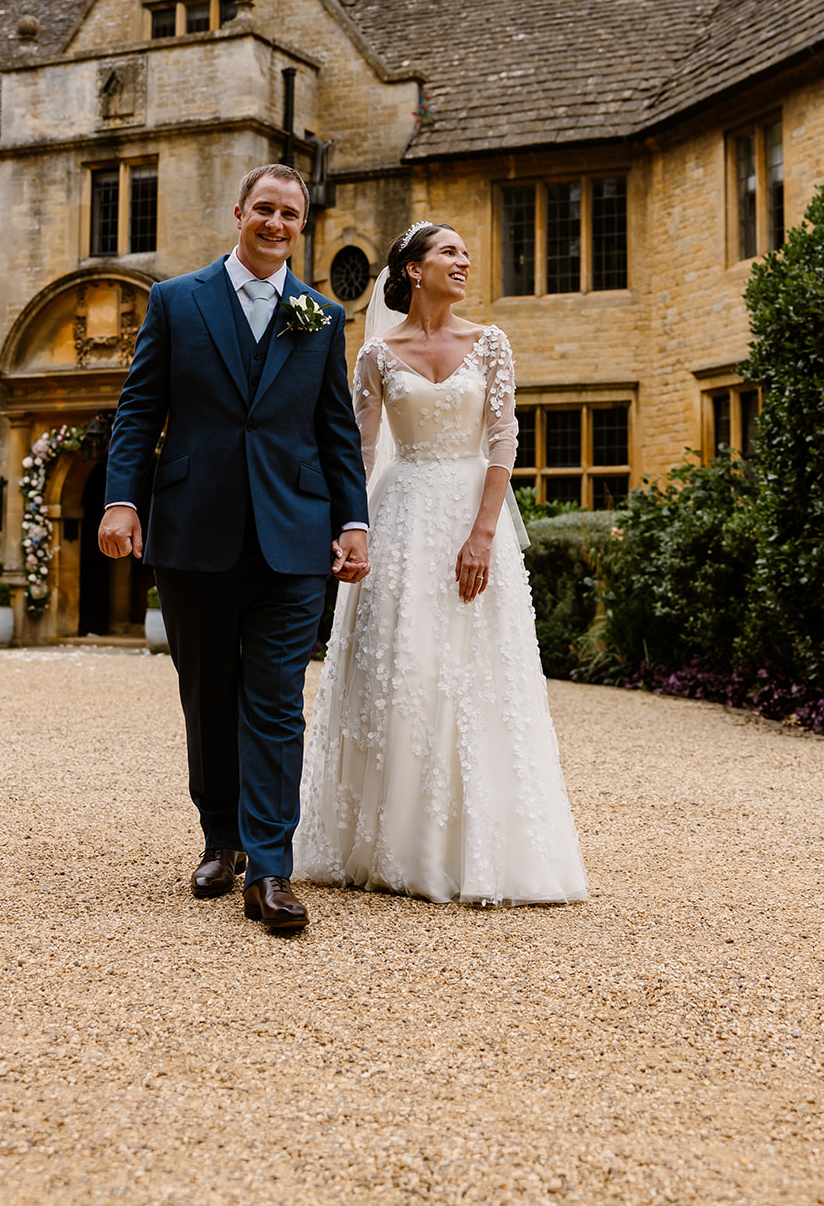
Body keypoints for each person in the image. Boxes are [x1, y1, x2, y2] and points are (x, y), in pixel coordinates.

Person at [98, 164, 369, 932]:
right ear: (238, 213)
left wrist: (352, 522)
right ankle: (220, 839)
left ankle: (272, 868)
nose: (275, 223)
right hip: (191, 529)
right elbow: (138, 408)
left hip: (292, 534)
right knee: (207, 693)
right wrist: (123, 501)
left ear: (302, 226)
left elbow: (334, 431)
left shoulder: (318, 315)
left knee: (278, 701)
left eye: (290, 213)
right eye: (264, 209)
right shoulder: (176, 301)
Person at [294, 221, 588, 906]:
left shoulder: (490, 342)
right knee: (401, 670)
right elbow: (360, 454)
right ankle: (390, 846)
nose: (463, 261)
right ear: (412, 270)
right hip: (398, 520)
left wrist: (483, 535)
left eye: (463, 252)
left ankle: (477, 849)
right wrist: (349, 528)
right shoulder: (373, 353)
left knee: (476, 674)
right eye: (448, 252)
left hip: (467, 512)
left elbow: (502, 439)